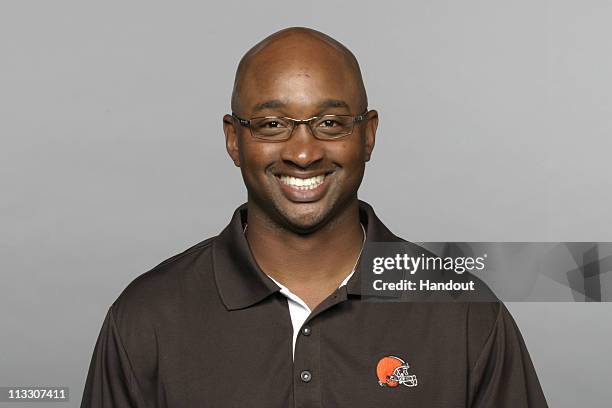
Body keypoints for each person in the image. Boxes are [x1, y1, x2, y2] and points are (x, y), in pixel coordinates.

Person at [80, 27, 548, 407]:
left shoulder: (465, 314)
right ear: (233, 140)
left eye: (330, 123)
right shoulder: (147, 317)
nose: (303, 152)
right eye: (271, 125)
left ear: (368, 135)